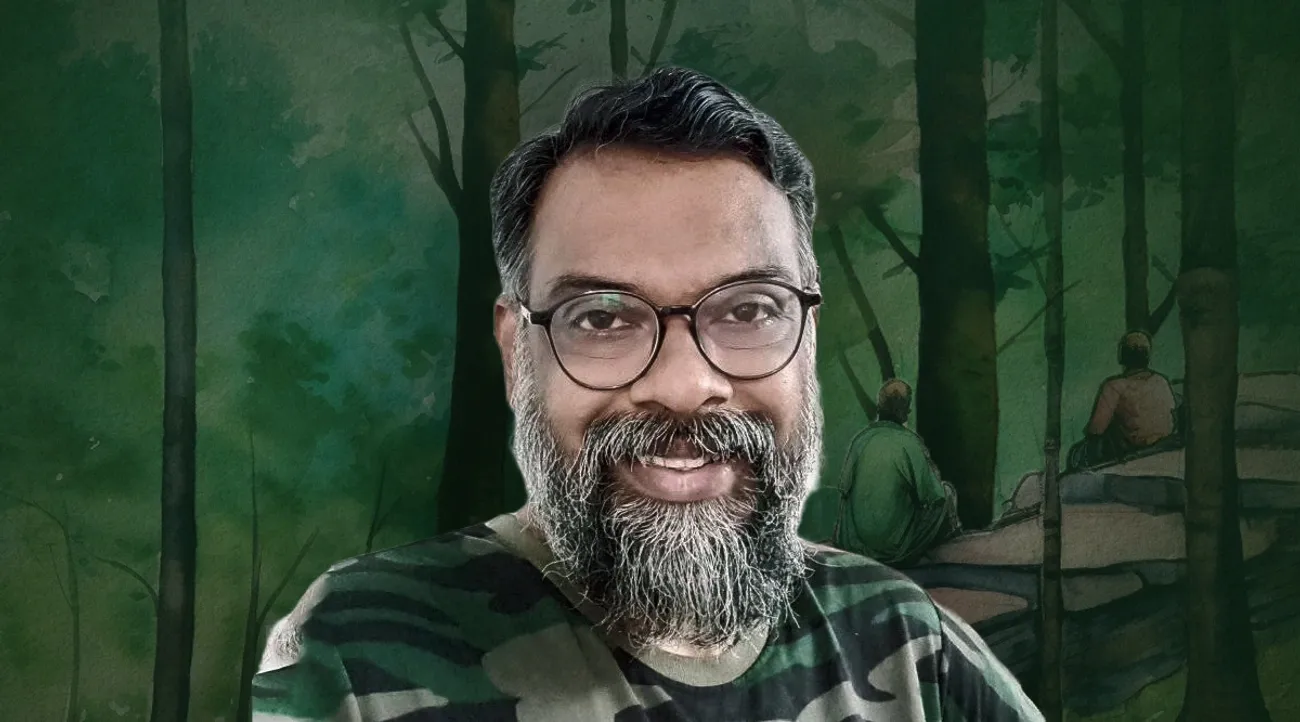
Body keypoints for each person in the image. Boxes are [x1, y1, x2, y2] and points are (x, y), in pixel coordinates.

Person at [251, 67, 1043, 721]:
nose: (684, 385)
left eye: (748, 310)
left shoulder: (906, 643)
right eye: (602, 318)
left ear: (805, 338)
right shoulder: (363, 652)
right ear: (516, 353)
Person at [830, 379, 962, 567]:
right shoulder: (910, 443)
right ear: (906, 410)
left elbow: (843, 487)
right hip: (893, 550)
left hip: (855, 545)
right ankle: (954, 548)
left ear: (879, 406)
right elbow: (933, 496)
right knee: (947, 492)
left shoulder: (861, 440)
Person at [1067, 330, 1179, 470]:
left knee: (1078, 453)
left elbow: (1096, 429)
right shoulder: (1161, 381)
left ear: (1122, 356)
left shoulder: (1115, 387)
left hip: (1134, 451)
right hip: (1164, 445)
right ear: (1147, 356)